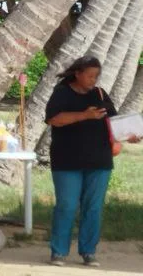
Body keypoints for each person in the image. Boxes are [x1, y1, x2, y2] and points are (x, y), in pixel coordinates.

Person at [45, 55, 141, 267]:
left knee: (93, 207)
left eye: (96, 76)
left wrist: (129, 134)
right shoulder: (61, 93)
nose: (93, 80)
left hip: (99, 160)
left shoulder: (99, 94)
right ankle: (58, 252)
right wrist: (83, 116)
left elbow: (114, 123)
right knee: (67, 205)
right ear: (77, 74)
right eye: (89, 76)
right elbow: (55, 119)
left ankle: (88, 252)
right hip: (67, 160)